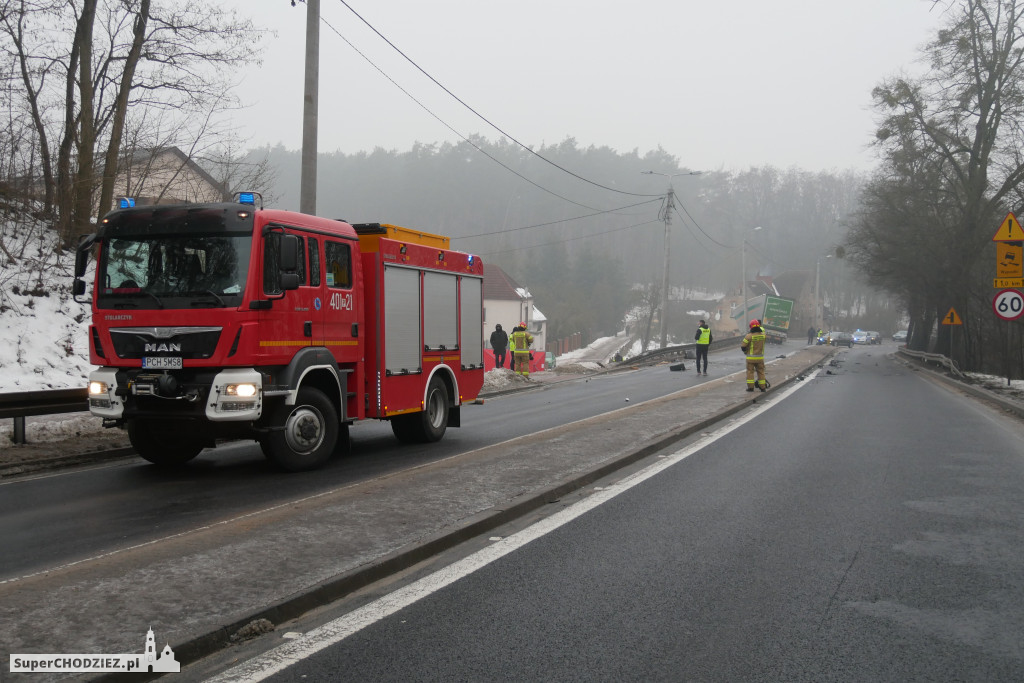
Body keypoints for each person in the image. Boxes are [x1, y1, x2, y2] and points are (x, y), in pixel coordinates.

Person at [741, 318, 767, 392]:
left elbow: (743, 346)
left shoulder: (749, 336)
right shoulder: (763, 335)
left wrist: (746, 351)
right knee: (761, 372)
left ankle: (750, 387)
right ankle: (763, 387)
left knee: (750, 372)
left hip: (750, 359)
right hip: (760, 358)